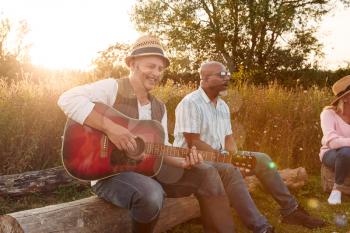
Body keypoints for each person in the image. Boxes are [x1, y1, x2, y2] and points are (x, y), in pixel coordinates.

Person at [58, 36, 236, 233]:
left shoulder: (158, 107)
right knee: (151, 194)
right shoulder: (113, 88)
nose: (156, 73)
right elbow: (67, 99)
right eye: (151, 66)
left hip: (148, 171)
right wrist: (111, 128)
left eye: (160, 69)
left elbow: (161, 148)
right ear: (133, 64)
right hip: (108, 173)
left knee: (207, 172)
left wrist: (183, 161)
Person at [173, 61, 326, 232]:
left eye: (227, 74)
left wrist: (235, 157)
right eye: (221, 75)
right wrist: (226, 160)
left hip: (219, 156)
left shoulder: (222, 105)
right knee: (229, 169)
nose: (227, 78)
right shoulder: (190, 103)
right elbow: (193, 141)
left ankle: (290, 210)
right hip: (193, 160)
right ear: (205, 79)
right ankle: (261, 227)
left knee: (262, 159)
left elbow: (228, 137)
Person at [320, 75, 350, 205]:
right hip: (331, 154)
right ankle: (336, 190)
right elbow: (333, 142)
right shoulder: (328, 114)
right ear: (346, 98)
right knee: (345, 152)